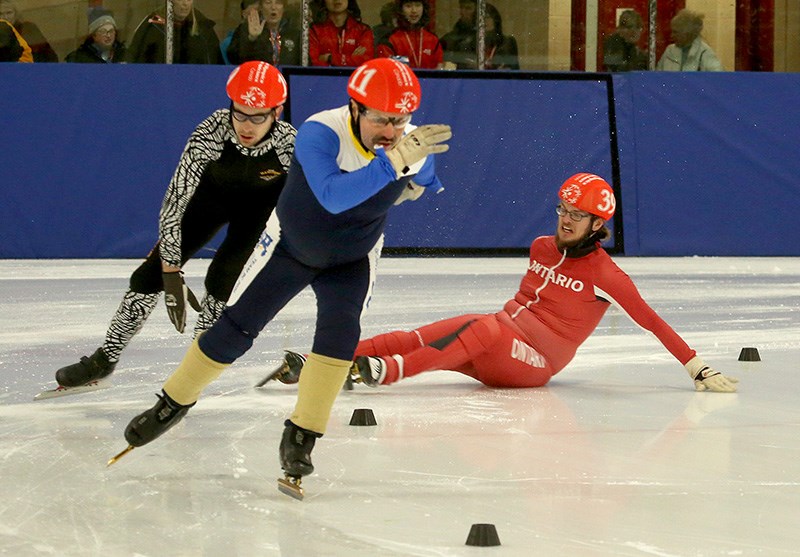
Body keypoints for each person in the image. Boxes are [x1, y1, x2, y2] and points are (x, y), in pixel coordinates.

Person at [121, 58, 452, 498]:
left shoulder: (408, 144)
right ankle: (172, 403)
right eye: (380, 118)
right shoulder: (321, 131)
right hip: (290, 247)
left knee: (338, 337)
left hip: (352, 258)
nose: (390, 131)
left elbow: (428, 176)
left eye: (399, 120)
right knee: (238, 327)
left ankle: (301, 437)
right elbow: (332, 197)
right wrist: (395, 166)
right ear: (355, 108)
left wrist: (420, 175)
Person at [277, 173, 738, 395]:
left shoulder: (605, 276)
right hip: (497, 341)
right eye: (562, 209)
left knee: (485, 327)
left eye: (577, 216)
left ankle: (387, 373)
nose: (565, 221)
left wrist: (696, 367)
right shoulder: (540, 246)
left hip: (532, 364)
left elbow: (650, 321)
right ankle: (326, 361)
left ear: (600, 225)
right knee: (430, 331)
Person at [53, 62, 296, 390]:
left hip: (258, 213)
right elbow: (175, 203)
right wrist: (169, 269)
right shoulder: (211, 132)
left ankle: (193, 371)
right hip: (210, 201)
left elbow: (305, 201)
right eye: (239, 113)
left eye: (258, 117)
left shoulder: (288, 144)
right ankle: (105, 357)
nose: (246, 126)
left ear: (276, 113)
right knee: (147, 276)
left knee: (222, 283)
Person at [126, 0, 223, 64]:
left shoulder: (203, 29)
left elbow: (214, 62)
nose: (185, 3)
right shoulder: (152, 27)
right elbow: (135, 57)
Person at [227, 0, 301, 66]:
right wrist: (251, 39)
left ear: (284, 8)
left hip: (286, 79)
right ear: (261, 7)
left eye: (278, 3)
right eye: (268, 2)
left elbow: (304, 64)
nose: (273, 7)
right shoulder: (247, 28)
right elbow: (233, 58)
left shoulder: (294, 34)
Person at [377, 0, 444, 70]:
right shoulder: (390, 40)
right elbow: (386, 71)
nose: (414, 10)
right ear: (400, 10)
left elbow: (439, 68)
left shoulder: (432, 39)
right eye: (408, 6)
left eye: (418, 5)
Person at [309, 0, 374, 67]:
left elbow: (365, 62)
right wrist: (350, 59)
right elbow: (314, 63)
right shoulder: (314, 30)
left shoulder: (363, 31)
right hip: (323, 77)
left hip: (354, 77)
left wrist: (330, 58)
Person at [656, 9, 723, 71]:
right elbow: (657, 77)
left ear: (687, 33)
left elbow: (719, 80)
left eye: (675, 32)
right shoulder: (669, 50)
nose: (672, 35)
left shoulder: (705, 53)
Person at [440, 0, 476, 69]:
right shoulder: (449, 38)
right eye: (461, 8)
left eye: (468, 8)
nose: (462, 12)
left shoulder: (485, 37)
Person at [482, 3, 518, 70]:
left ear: (495, 20)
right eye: (480, 18)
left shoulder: (507, 43)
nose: (483, 21)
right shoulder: (472, 44)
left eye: (487, 17)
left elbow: (513, 70)